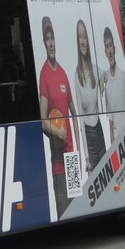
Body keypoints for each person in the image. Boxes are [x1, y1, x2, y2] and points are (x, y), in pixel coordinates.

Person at [37, 17, 75, 218]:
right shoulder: (44, 74)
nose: (51, 43)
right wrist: (57, 131)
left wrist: (81, 152)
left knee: (78, 209)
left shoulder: (62, 73)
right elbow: (43, 121)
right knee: (64, 212)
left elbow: (75, 114)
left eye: (52, 38)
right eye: (47, 39)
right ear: (44, 43)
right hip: (59, 163)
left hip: (72, 158)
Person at [72, 19, 106, 172]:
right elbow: (80, 121)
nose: (83, 41)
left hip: (99, 132)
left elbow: (105, 75)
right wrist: (86, 157)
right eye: (80, 37)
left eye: (85, 36)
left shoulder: (95, 69)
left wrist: (102, 81)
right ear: (77, 41)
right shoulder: (76, 77)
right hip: (89, 139)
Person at [98, 27, 125, 148]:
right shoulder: (105, 81)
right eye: (107, 46)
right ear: (105, 52)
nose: (110, 50)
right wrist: (113, 147)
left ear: (115, 48)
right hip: (117, 144)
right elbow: (110, 122)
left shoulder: (123, 76)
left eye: (111, 45)